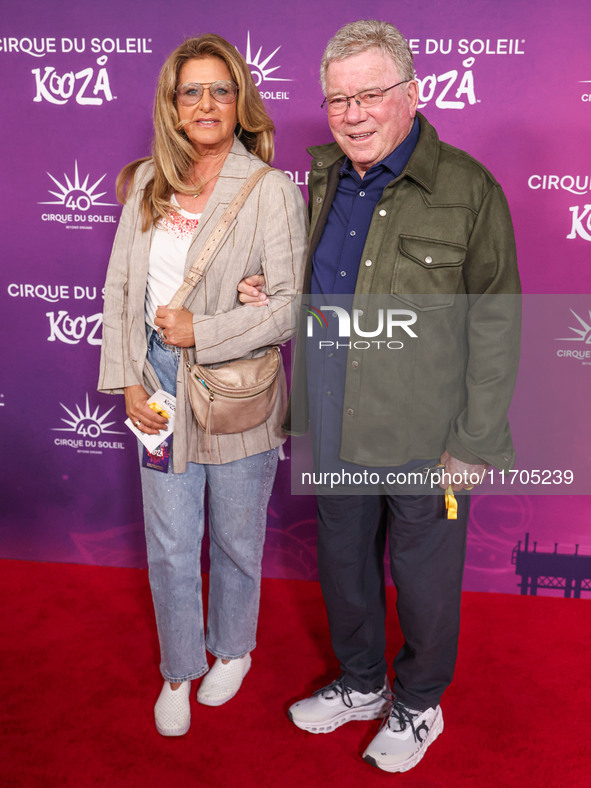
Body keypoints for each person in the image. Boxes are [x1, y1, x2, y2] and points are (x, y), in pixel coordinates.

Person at [238, 19, 520, 774]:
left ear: (412, 94)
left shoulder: (466, 188)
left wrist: (474, 440)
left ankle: (417, 702)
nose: (352, 114)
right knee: (343, 568)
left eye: (369, 95)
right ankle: (361, 684)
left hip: (427, 436)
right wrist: (275, 290)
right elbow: (336, 286)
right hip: (334, 423)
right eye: (337, 100)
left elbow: (496, 323)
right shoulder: (325, 175)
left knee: (424, 583)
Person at [98, 33, 306, 737]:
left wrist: (205, 332)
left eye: (221, 89)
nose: (207, 103)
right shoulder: (148, 184)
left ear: (239, 100)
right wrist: (128, 374)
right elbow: (122, 288)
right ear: (174, 105)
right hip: (159, 385)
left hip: (237, 388)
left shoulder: (268, 190)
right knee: (168, 539)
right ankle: (179, 667)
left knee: (238, 539)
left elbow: (288, 304)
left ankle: (233, 649)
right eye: (193, 91)